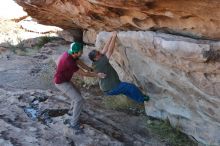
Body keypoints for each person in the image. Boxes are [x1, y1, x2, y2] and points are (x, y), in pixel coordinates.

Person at [54, 42, 105, 135]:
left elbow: (79, 62)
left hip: (65, 80)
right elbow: (84, 73)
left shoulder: (71, 54)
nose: (82, 52)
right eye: (81, 51)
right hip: (61, 82)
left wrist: (90, 69)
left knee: (77, 94)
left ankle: (71, 112)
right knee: (79, 100)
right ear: (75, 52)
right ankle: (74, 123)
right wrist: (97, 75)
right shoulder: (68, 61)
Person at [88, 32, 150, 104]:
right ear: (95, 58)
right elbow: (109, 51)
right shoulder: (101, 62)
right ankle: (142, 99)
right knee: (131, 87)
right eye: (98, 54)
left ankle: (139, 101)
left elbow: (104, 50)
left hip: (107, 88)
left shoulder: (96, 62)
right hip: (111, 87)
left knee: (126, 91)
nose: (99, 53)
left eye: (98, 52)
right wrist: (114, 38)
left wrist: (111, 37)